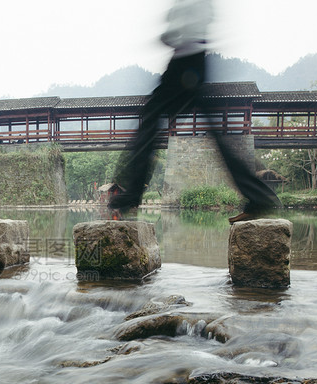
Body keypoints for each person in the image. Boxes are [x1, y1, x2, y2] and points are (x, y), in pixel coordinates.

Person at [109, 0, 280, 223]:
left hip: (184, 63)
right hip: (194, 61)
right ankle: (259, 198)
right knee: (214, 132)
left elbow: (172, 33)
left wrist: (170, 33)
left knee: (150, 119)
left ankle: (131, 195)